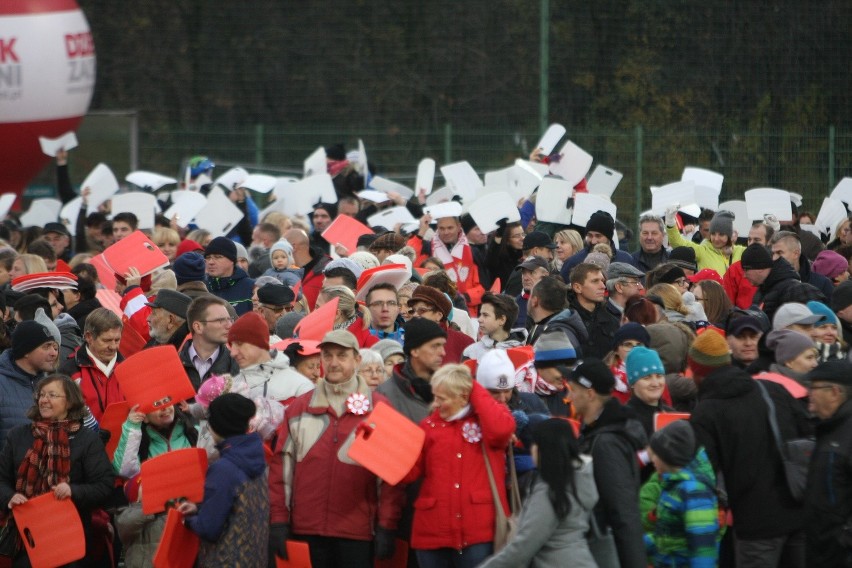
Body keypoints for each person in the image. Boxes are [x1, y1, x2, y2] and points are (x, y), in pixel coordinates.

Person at [269, 330, 404, 567]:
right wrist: (279, 520)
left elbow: (389, 478)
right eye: (327, 355)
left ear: (357, 360)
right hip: (306, 528)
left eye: (342, 356)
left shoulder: (379, 409)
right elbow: (282, 471)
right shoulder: (300, 408)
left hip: (357, 531)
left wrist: (386, 524)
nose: (333, 363)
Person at [687, 329, 812, 567]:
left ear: (697, 372)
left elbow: (704, 473)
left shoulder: (707, 411)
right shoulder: (771, 389)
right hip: (798, 511)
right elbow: (805, 436)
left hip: (754, 524)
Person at [403, 364, 515, 567]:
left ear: (464, 397)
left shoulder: (488, 422)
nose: (435, 404)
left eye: (442, 398)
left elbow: (501, 430)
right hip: (432, 532)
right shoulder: (428, 427)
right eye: (435, 396)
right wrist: (378, 449)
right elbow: (408, 473)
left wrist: (473, 386)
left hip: (478, 533)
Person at [0, 375, 114, 567]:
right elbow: (2, 479)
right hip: (26, 535)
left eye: (52, 395)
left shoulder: (86, 440)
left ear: (69, 402)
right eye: (41, 395)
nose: (44, 400)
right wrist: (9, 497)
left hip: (69, 535)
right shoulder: (18, 435)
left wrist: (73, 491)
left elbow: (104, 486)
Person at [477, 419, 598, 568]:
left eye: (534, 444)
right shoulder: (579, 477)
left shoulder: (551, 489)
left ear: (543, 448)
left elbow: (524, 546)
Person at [569, 358, 648, 568]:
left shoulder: (605, 444)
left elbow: (623, 512)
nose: (568, 397)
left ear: (590, 393)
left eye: (573, 390)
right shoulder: (597, 433)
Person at [178, 393, 269, 567]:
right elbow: (237, 508)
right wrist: (198, 509)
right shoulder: (256, 456)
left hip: (225, 560)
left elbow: (208, 528)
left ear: (217, 425)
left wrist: (187, 521)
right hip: (254, 559)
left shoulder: (224, 468)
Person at [644, 421, 719, 567]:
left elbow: (702, 548)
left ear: (668, 456)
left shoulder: (694, 492)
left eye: (656, 455)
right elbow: (668, 538)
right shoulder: (674, 486)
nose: (652, 460)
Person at [803, 360, 852, 566]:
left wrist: (845, 538)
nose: (809, 394)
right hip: (822, 548)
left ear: (834, 392)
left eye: (814, 388)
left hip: (840, 553)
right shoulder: (828, 428)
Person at [227, 311, 314, 406]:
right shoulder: (231, 387)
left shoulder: (299, 385)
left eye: (239, 344)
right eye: (232, 346)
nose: (233, 353)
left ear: (258, 343)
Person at [59, 307, 124, 422]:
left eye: (117, 340)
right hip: (85, 439)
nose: (113, 346)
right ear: (89, 337)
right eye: (107, 340)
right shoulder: (69, 370)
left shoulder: (128, 369)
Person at [0, 321, 60, 443]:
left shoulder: (52, 384)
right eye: (46, 346)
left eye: (54, 347)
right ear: (26, 351)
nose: (54, 353)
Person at [742, 243, 826, 323]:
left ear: (760, 268)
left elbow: (818, 324)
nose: (744, 275)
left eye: (746, 270)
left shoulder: (796, 290)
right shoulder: (763, 289)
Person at [665, 208, 744, 276]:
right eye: (713, 233)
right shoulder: (703, 250)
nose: (716, 238)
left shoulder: (740, 251)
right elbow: (678, 244)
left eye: (721, 234)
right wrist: (670, 222)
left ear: (729, 234)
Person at [408, 285, 473, 363]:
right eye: (413, 311)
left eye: (422, 310)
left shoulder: (463, 342)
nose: (415, 315)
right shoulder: (405, 339)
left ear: (439, 315)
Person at [568, 262, 620, 358]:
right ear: (577, 287)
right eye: (595, 281)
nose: (603, 286)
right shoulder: (566, 320)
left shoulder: (612, 320)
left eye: (602, 281)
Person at [625, 346, 674, 438]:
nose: (655, 383)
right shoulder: (626, 419)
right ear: (632, 383)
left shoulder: (671, 414)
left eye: (659, 376)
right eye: (646, 378)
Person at [463, 292, 525, 360]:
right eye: (480, 314)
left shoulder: (522, 354)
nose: (479, 320)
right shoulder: (471, 353)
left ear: (502, 320)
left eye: (485, 315)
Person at [204, 236, 255, 315]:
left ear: (232, 260)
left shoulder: (251, 288)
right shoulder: (203, 288)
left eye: (218, 257)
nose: (211, 262)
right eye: (208, 257)